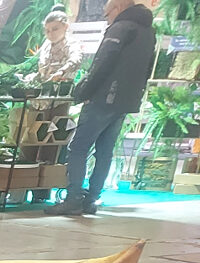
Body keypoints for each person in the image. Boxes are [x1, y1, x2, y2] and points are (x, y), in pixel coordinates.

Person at [49, 0, 156, 215]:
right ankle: (91, 199)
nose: (107, 19)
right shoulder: (148, 32)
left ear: (118, 8)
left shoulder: (120, 28)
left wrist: (84, 93)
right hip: (125, 101)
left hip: (104, 97)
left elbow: (102, 63)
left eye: (107, 14)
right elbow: (147, 68)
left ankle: (73, 199)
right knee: (105, 151)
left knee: (78, 148)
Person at [35, 11, 81, 83]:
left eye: (55, 29)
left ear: (65, 26)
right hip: (44, 82)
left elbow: (75, 59)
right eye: (47, 31)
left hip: (62, 83)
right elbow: (41, 60)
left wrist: (62, 71)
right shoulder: (46, 44)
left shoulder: (71, 44)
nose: (51, 34)